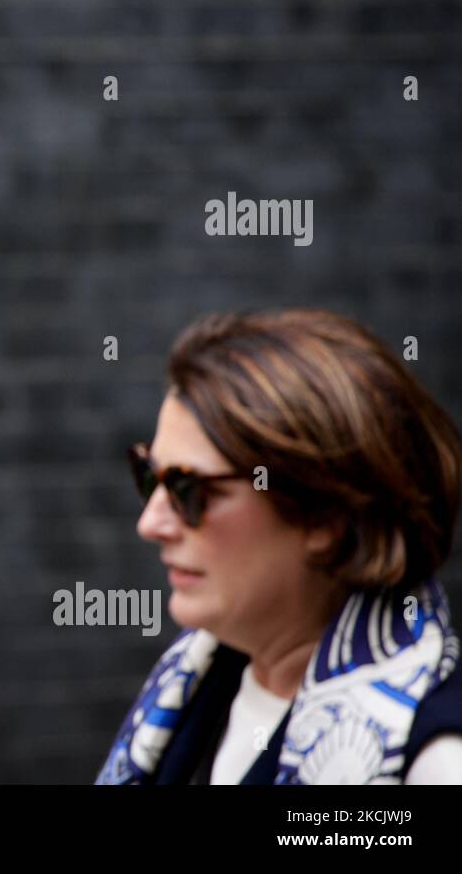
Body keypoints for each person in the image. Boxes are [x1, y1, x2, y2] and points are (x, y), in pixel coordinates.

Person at [97, 308, 462, 784]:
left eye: (190, 490)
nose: (151, 523)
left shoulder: (434, 759)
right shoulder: (195, 681)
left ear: (324, 514)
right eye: (149, 476)